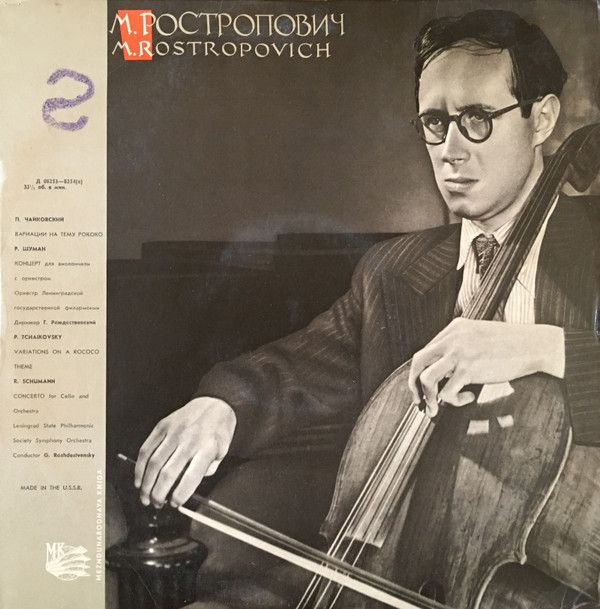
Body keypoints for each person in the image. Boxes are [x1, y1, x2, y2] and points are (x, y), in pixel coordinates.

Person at [133, 9, 600, 608]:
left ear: (543, 118)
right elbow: (305, 363)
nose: (450, 151)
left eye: (478, 120)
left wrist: (548, 347)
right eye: (435, 123)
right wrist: (220, 407)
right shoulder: (394, 271)